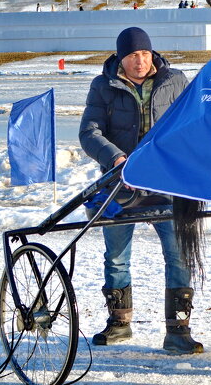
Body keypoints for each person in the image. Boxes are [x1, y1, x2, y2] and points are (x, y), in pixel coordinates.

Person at [79, 26, 200, 354]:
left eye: (145, 54)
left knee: (178, 255)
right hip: (121, 184)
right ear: (121, 57)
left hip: (166, 182)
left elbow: (191, 124)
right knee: (117, 257)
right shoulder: (103, 86)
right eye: (133, 55)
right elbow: (89, 132)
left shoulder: (174, 81)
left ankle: (179, 329)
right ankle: (119, 323)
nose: (140, 61)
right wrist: (115, 157)